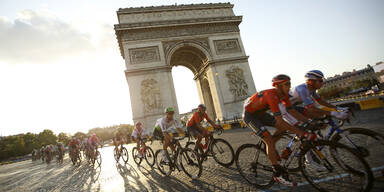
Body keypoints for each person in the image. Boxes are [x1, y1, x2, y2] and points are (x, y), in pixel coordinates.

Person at [243, 74, 315, 186]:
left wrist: (308, 122)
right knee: (269, 139)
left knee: (282, 130)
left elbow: (292, 111)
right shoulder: (271, 96)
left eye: (290, 83)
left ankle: (271, 149)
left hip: (261, 114)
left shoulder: (284, 95)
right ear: (278, 86)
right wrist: (299, 132)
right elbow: (280, 121)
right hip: (250, 116)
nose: (289, 86)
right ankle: (277, 174)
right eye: (286, 84)